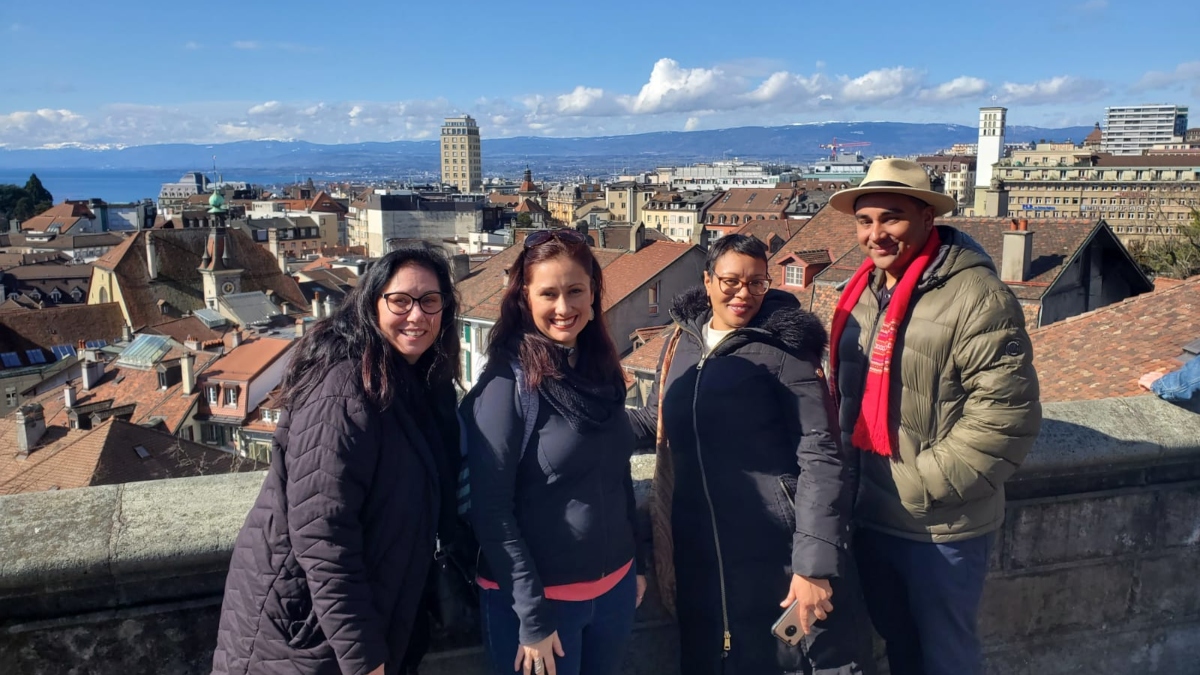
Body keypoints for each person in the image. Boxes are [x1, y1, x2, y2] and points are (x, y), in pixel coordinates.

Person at [827, 159, 1042, 675]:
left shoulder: (977, 296)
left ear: (927, 219)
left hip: (939, 526)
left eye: (891, 218)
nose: (875, 234)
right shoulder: (859, 293)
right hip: (872, 513)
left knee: (944, 658)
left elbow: (1006, 414)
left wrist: (923, 484)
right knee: (900, 650)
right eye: (864, 220)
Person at [628, 234, 874, 675]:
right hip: (701, 550)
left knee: (796, 660)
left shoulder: (786, 349)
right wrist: (578, 423)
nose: (744, 294)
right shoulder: (682, 343)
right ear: (706, 281)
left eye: (757, 283)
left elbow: (821, 454)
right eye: (731, 282)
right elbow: (657, 419)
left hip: (778, 548)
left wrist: (814, 566)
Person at [212, 245, 463, 675]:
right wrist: (363, 657)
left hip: (344, 628)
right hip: (305, 636)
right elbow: (322, 533)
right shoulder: (343, 389)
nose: (417, 315)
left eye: (430, 301)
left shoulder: (408, 380)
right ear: (371, 303)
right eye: (400, 300)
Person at [460, 228, 647, 675]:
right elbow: (491, 511)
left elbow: (618, 475)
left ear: (593, 293)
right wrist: (532, 616)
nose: (564, 308)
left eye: (575, 291)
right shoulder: (505, 388)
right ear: (524, 298)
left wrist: (636, 562)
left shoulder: (599, 368)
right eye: (549, 294)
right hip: (540, 607)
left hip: (614, 591)